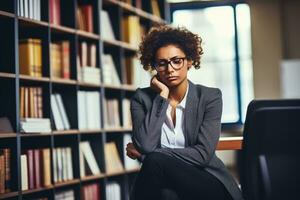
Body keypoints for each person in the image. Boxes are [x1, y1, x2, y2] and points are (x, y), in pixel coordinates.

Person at [126, 25, 243, 200]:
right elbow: (145, 144)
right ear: (154, 66)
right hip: (167, 183)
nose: (170, 69)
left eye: (176, 60)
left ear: (189, 61)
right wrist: (162, 97)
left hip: (208, 179)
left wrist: (153, 152)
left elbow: (203, 154)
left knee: (154, 160)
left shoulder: (210, 97)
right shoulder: (141, 98)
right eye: (162, 63)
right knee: (166, 195)